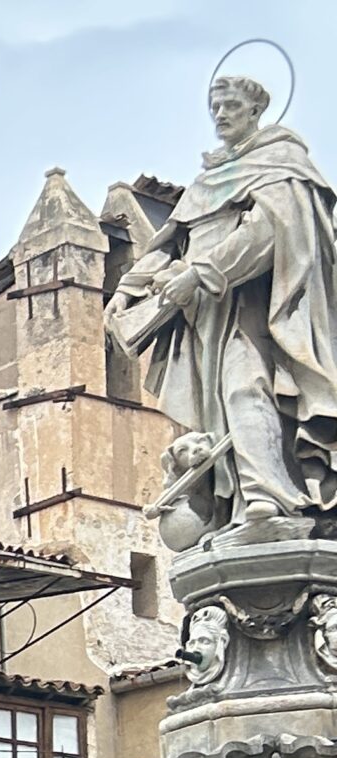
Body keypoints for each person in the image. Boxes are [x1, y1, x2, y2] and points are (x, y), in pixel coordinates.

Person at [109, 71, 337, 535]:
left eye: (230, 105)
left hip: (257, 304)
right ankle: (233, 507)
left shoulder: (282, 164)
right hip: (199, 315)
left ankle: (268, 496)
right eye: (214, 106)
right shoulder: (209, 179)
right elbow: (171, 243)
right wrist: (127, 290)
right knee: (214, 410)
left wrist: (200, 274)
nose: (220, 115)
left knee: (245, 385)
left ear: (255, 110)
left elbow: (272, 231)